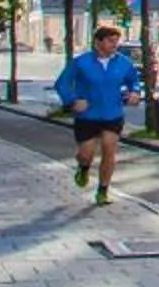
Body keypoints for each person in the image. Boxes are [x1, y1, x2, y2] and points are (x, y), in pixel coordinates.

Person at [54, 24, 142, 205]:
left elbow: (134, 81)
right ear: (97, 42)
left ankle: (103, 191)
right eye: (110, 41)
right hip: (88, 116)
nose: (114, 45)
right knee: (86, 154)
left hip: (113, 114)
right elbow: (62, 83)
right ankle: (83, 167)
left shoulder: (123, 62)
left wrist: (135, 92)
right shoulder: (81, 62)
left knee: (109, 150)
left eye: (116, 41)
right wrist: (72, 101)